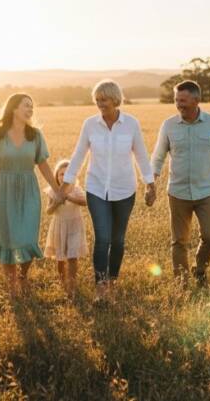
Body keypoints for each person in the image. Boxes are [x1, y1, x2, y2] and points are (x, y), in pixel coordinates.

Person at [62, 79, 156, 303]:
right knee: (103, 238)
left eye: (104, 99)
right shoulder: (90, 124)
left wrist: (150, 183)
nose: (100, 104)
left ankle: (112, 281)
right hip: (96, 189)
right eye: (97, 100)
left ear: (115, 99)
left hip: (124, 189)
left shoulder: (131, 124)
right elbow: (79, 154)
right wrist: (67, 182)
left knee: (118, 240)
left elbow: (141, 155)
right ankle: (101, 286)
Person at [0, 93, 63, 297]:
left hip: (29, 190)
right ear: (14, 108)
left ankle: (23, 276)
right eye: (26, 105)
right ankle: (12, 283)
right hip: (4, 191)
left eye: (32, 106)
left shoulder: (35, 135)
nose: (30, 109)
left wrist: (57, 190)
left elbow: (43, 164)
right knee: (6, 238)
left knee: (28, 236)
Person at [150, 80, 210, 288]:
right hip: (177, 192)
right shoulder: (168, 125)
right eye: (176, 100)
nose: (179, 105)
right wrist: (151, 185)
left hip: (206, 192)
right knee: (179, 241)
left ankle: (200, 269)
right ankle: (182, 282)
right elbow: (158, 157)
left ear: (197, 100)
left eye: (183, 100)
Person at [44, 159, 88, 300]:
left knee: (72, 256)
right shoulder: (53, 191)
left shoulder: (76, 189)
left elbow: (85, 202)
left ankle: (72, 284)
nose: (64, 177)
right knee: (60, 257)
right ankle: (62, 280)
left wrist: (69, 197)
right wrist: (57, 202)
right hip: (59, 226)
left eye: (67, 174)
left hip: (75, 226)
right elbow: (48, 211)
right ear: (56, 176)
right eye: (61, 174)